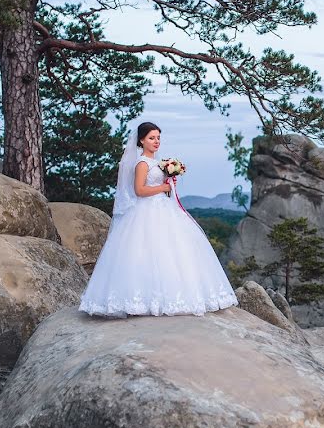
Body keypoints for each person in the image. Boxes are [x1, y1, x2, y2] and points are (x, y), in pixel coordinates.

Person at [79, 122, 238, 317]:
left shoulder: (159, 163)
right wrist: (163, 188)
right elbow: (139, 190)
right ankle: (144, 299)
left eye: (158, 138)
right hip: (145, 211)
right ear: (142, 140)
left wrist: (169, 181)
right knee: (146, 251)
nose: (156, 142)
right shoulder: (142, 164)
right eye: (152, 138)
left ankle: (175, 295)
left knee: (173, 251)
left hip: (165, 208)